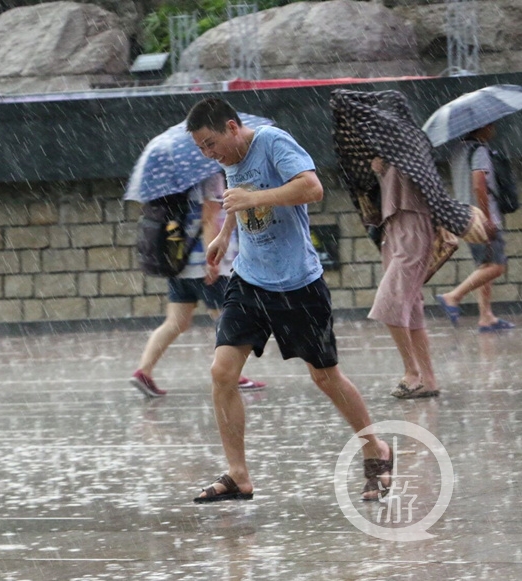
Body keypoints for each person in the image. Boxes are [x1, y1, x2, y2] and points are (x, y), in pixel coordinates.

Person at [185, 97, 392, 503]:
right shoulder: (230, 160)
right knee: (222, 372)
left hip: (298, 283)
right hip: (249, 280)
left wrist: (255, 199)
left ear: (231, 127)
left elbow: (312, 188)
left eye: (210, 144)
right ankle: (238, 474)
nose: (210, 154)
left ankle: (376, 448)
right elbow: (237, 200)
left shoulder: (273, 141)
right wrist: (225, 236)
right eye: (201, 149)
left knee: (325, 377)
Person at [130, 173, 266, 397]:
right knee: (227, 320)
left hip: (178, 262)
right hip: (205, 263)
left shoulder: (172, 179)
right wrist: (212, 262)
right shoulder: (210, 176)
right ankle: (232, 375)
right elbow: (209, 218)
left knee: (176, 322)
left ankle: (143, 371)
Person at [369, 157, 440, 399]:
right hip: (393, 224)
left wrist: (449, 219)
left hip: (413, 219)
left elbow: (431, 185)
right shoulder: (383, 149)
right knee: (411, 305)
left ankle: (412, 372)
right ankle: (428, 379)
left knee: (390, 300)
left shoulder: (405, 146)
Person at [435, 123, 515, 332]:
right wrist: (487, 219)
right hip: (481, 218)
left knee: (485, 266)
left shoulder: (458, 150)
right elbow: (479, 184)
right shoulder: (478, 150)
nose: (493, 129)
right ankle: (453, 296)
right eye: (490, 125)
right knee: (496, 267)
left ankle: (486, 316)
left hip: (465, 217)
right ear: (483, 127)